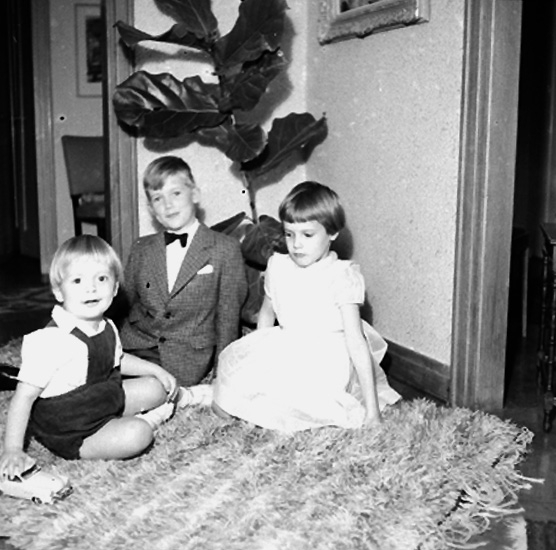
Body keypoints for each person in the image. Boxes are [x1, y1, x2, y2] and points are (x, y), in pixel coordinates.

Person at [212, 181, 401, 432]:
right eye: (289, 234)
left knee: (298, 409)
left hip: (324, 360)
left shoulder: (341, 275)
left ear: (332, 233)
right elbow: (267, 314)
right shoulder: (278, 266)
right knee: (226, 401)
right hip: (286, 347)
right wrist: (258, 360)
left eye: (307, 235)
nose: (296, 244)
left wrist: (373, 412)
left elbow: (356, 342)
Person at [0, 235, 178, 480]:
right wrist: (12, 449)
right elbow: (23, 397)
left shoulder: (107, 326)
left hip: (104, 400)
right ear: (58, 291)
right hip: (72, 429)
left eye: (101, 278)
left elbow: (117, 358)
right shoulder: (51, 341)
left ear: (115, 288)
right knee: (138, 434)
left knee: (156, 387)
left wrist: (155, 369)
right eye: (77, 280)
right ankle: (151, 419)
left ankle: (144, 411)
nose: (91, 288)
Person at [119, 156, 248, 397]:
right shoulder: (141, 248)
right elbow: (124, 305)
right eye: (158, 199)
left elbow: (228, 319)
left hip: (184, 356)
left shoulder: (224, 249)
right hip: (135, 345)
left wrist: (222, 377)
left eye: (176, 193)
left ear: (195, 194)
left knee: (147, 391)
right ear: (151, 209)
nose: (168, 205)